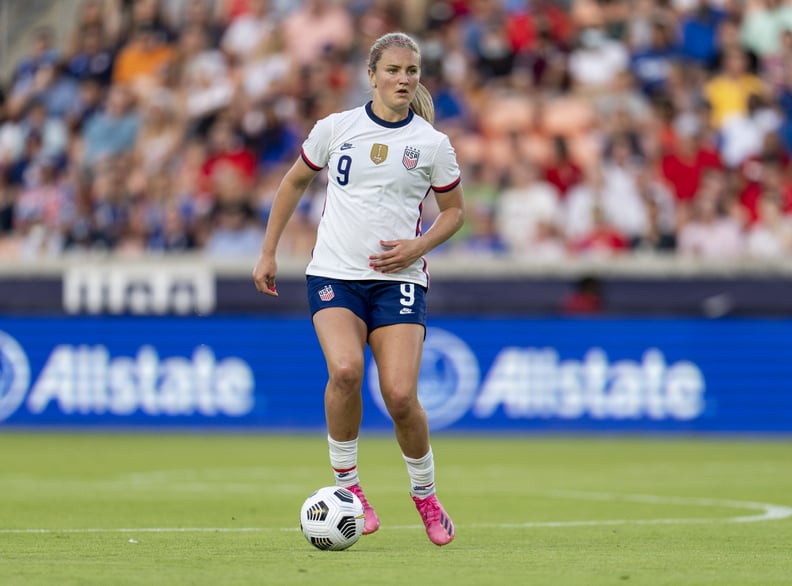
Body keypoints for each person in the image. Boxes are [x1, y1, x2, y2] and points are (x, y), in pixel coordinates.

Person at [252, 32, 465, 546]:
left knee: (399, 396)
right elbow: (292, 183)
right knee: (345, 371)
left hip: (398, 280)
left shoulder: (431, 144)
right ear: (371, 75)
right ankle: (350, 491)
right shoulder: (336, 128)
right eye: (392, 70)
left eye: (411, 71)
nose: (403, 80)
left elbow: (455, 213)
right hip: (334, 273)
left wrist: (417, 248)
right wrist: (268, 250)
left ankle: (425, 495)